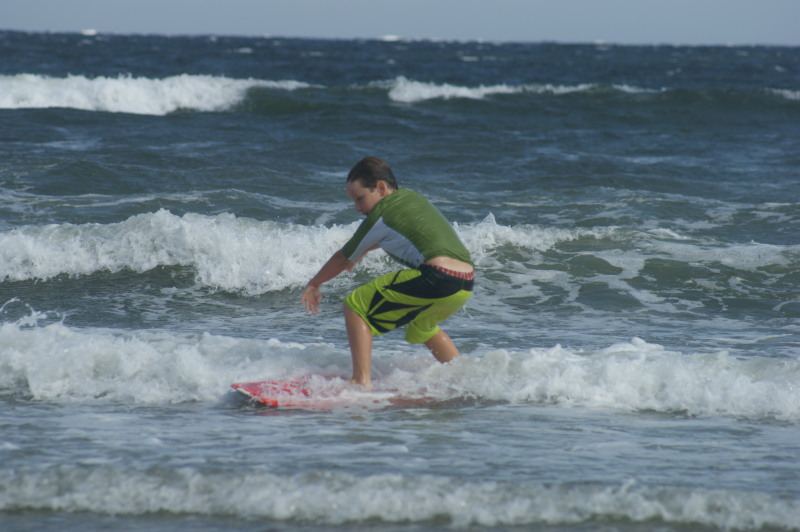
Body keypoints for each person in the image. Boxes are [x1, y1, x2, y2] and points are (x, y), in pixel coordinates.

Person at [301, 157, 475, 386]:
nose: (358, 208)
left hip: (438, 276)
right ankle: (463, 378)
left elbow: (342, 258)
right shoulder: (410, 199)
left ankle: (360, 382)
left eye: (361, 198)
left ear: (381, 188)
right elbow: (397, 236)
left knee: (355, 305)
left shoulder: (381, 213)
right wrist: (363, 251)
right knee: (421, 327)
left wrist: (314, 284)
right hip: (464, 283)